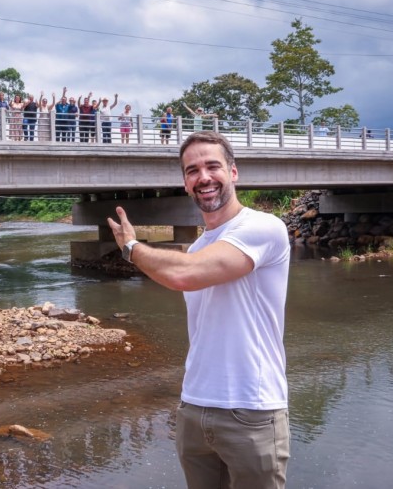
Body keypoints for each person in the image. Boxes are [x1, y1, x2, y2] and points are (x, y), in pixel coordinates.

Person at [107, 131, 291, 489]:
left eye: (212, 166)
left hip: (251, 409)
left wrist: (131, 247)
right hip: (194, 407)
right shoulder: (195, 248)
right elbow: (186, 270)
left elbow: (184, 275)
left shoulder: (264, 228)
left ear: (233, 172)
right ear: (185, 183)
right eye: (192, 171)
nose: (203, 177)